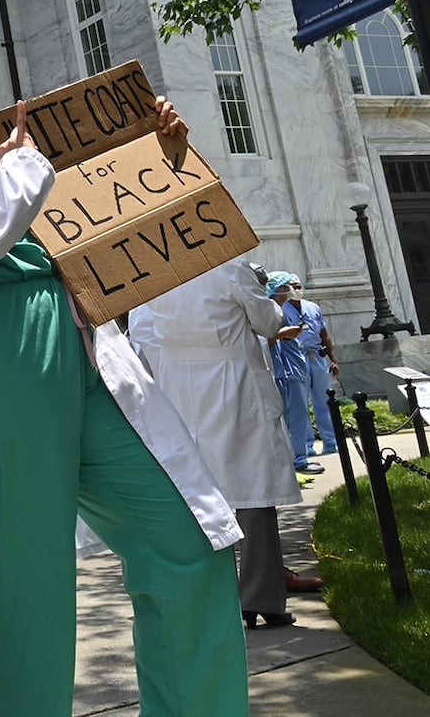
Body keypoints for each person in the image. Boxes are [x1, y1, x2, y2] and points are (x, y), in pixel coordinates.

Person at [0, 0, 248, 716]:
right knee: (27, 591)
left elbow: (112, 222)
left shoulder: (8, 142)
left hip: (88, 350)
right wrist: (19, 174)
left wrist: (160, 155)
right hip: (2, 364)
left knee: (188, 546)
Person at [129, 258, 310, 629]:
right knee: (254, 494)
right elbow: (269, 322)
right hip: (235, 385)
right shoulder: (227, 268)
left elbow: (143, 337)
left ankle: (216, 596)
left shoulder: (153, 273)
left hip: (180, 387)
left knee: (200, 497)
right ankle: (261, 596)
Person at [267, 271, 320, 474]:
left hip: (294, 368)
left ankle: (298, 458)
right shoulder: (270, 309)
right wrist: (284, 334)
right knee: (289, 418)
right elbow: (265, 337)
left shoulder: (282, 309)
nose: (289, 291)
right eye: (285, 287)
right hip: (283, 372)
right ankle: (295, 461)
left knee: (299, 414)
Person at [284, 274, 340, 457]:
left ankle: (331, 441)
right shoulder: (281, 309)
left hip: (317, 355)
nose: (296, 289)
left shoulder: (312, 307)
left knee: (324, 399)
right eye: (292, 286)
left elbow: (324, 334)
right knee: (301, 403)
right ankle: (306, 445)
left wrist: (333, 359)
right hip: (296, 357)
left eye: (298, 286)